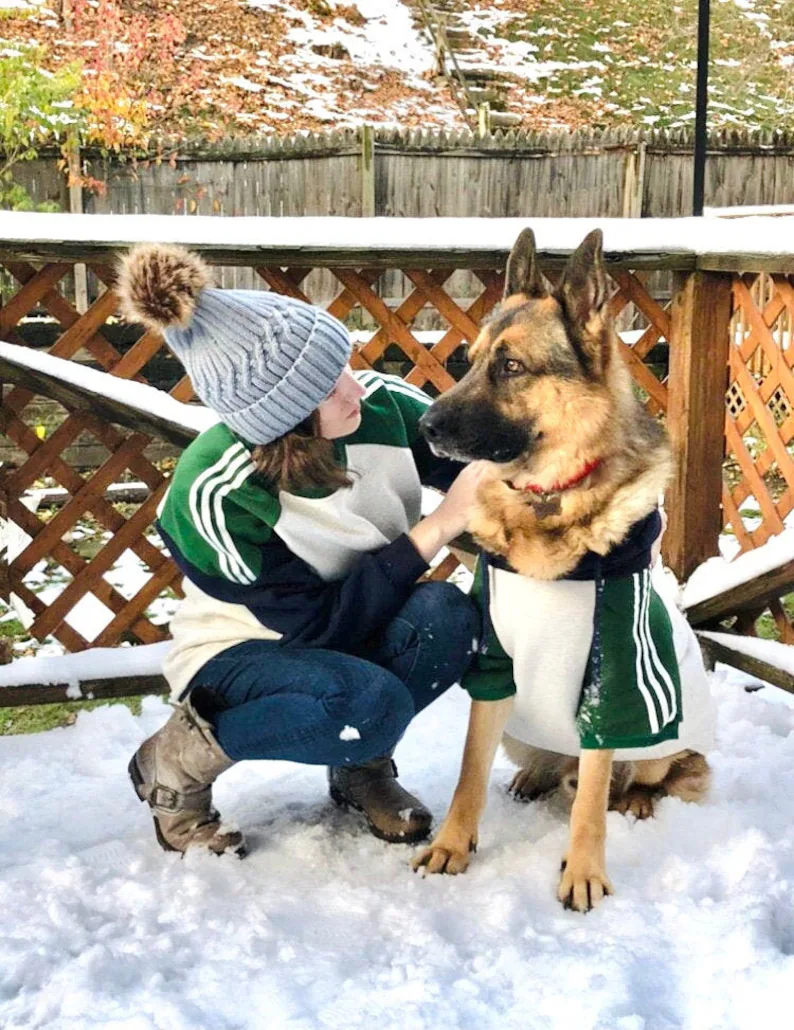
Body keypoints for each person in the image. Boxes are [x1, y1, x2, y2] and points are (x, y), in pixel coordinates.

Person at [116, 243, 489, 857]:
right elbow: (316, 624)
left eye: (344, 364)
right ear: (282, 419)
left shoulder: (380, 407)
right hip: (246, 651)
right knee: (367, 704)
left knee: (448, 618)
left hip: (353, 622)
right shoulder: (218, 492)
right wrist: (440, 526)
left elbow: (488, 462)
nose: (356, 389)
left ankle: (361, 769)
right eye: (328, 386)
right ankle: (175, 762)